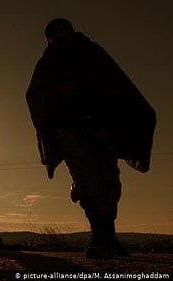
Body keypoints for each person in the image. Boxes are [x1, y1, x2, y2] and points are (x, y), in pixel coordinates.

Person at [26, 18, 156, 258]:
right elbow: (35, 96)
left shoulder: (93, 54)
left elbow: (116, 87)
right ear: (49, 39)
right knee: (86, 180)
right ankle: (98, 236)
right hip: (71, 131)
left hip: (102, 129)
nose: (60, 35)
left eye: (64, 30)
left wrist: (111, 124)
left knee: (108, 181)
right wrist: (57, 92)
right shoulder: (47, 64)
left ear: (72, 32)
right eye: (54, 33)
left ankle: (109, 237)